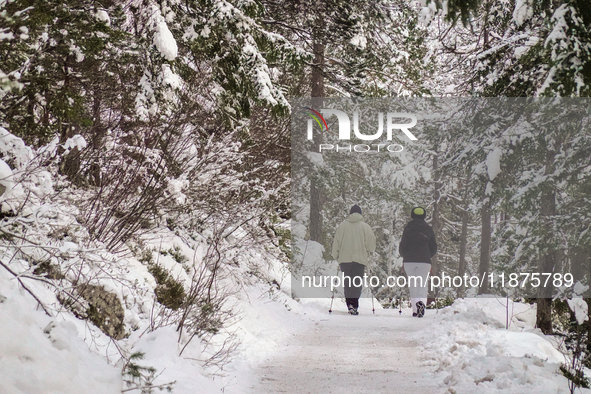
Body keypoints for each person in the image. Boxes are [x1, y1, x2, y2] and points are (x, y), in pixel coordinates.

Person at [332, 204, 376, 315]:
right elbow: (371, 246)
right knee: (356, 282)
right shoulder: (365, 227)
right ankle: (354, 304)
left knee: (348, 282)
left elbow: (336, 242)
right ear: (360, 214)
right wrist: (369, 249)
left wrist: (335, 255)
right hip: (359, 259)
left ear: (350, 214)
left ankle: (349, 304)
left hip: (345, 259)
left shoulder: (342, 226)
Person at [398, 207, 437, 318]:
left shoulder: (408, 228)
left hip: (409, 261)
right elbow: (433, 247)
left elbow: (402, 246)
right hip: (424, 261)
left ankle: (415, 309)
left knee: (413, 285)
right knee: (422, 284)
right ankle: (421, 305)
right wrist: (427, 255)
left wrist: (404, 255)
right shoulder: (428, 229)